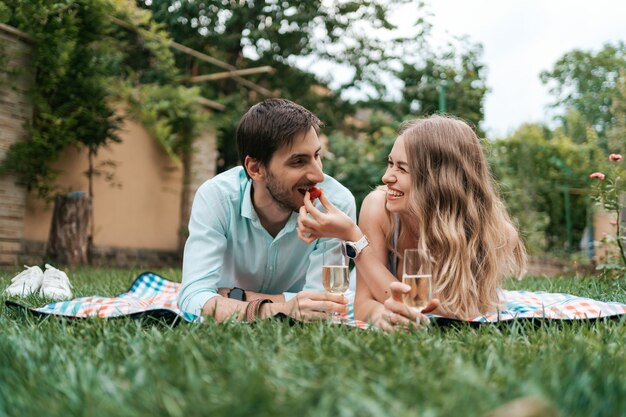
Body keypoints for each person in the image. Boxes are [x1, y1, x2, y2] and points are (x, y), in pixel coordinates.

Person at [297, 115, 527, 331]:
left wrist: (355, 239)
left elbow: (457, 309)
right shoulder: (379, 208)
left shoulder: (496, 234)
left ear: (440, 180)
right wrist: (381, 316)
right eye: (390, 163)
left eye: (402, 168)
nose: (386, 177)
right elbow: (364, 306)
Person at [179, 98, 356, 322]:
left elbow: (324, 304)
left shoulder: (336, 204)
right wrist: (274, 310)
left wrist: (239, 297)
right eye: (299, 162)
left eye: (317, 156)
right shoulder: (216, 198)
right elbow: (193, 298)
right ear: (255, 169)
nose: (318, 175)